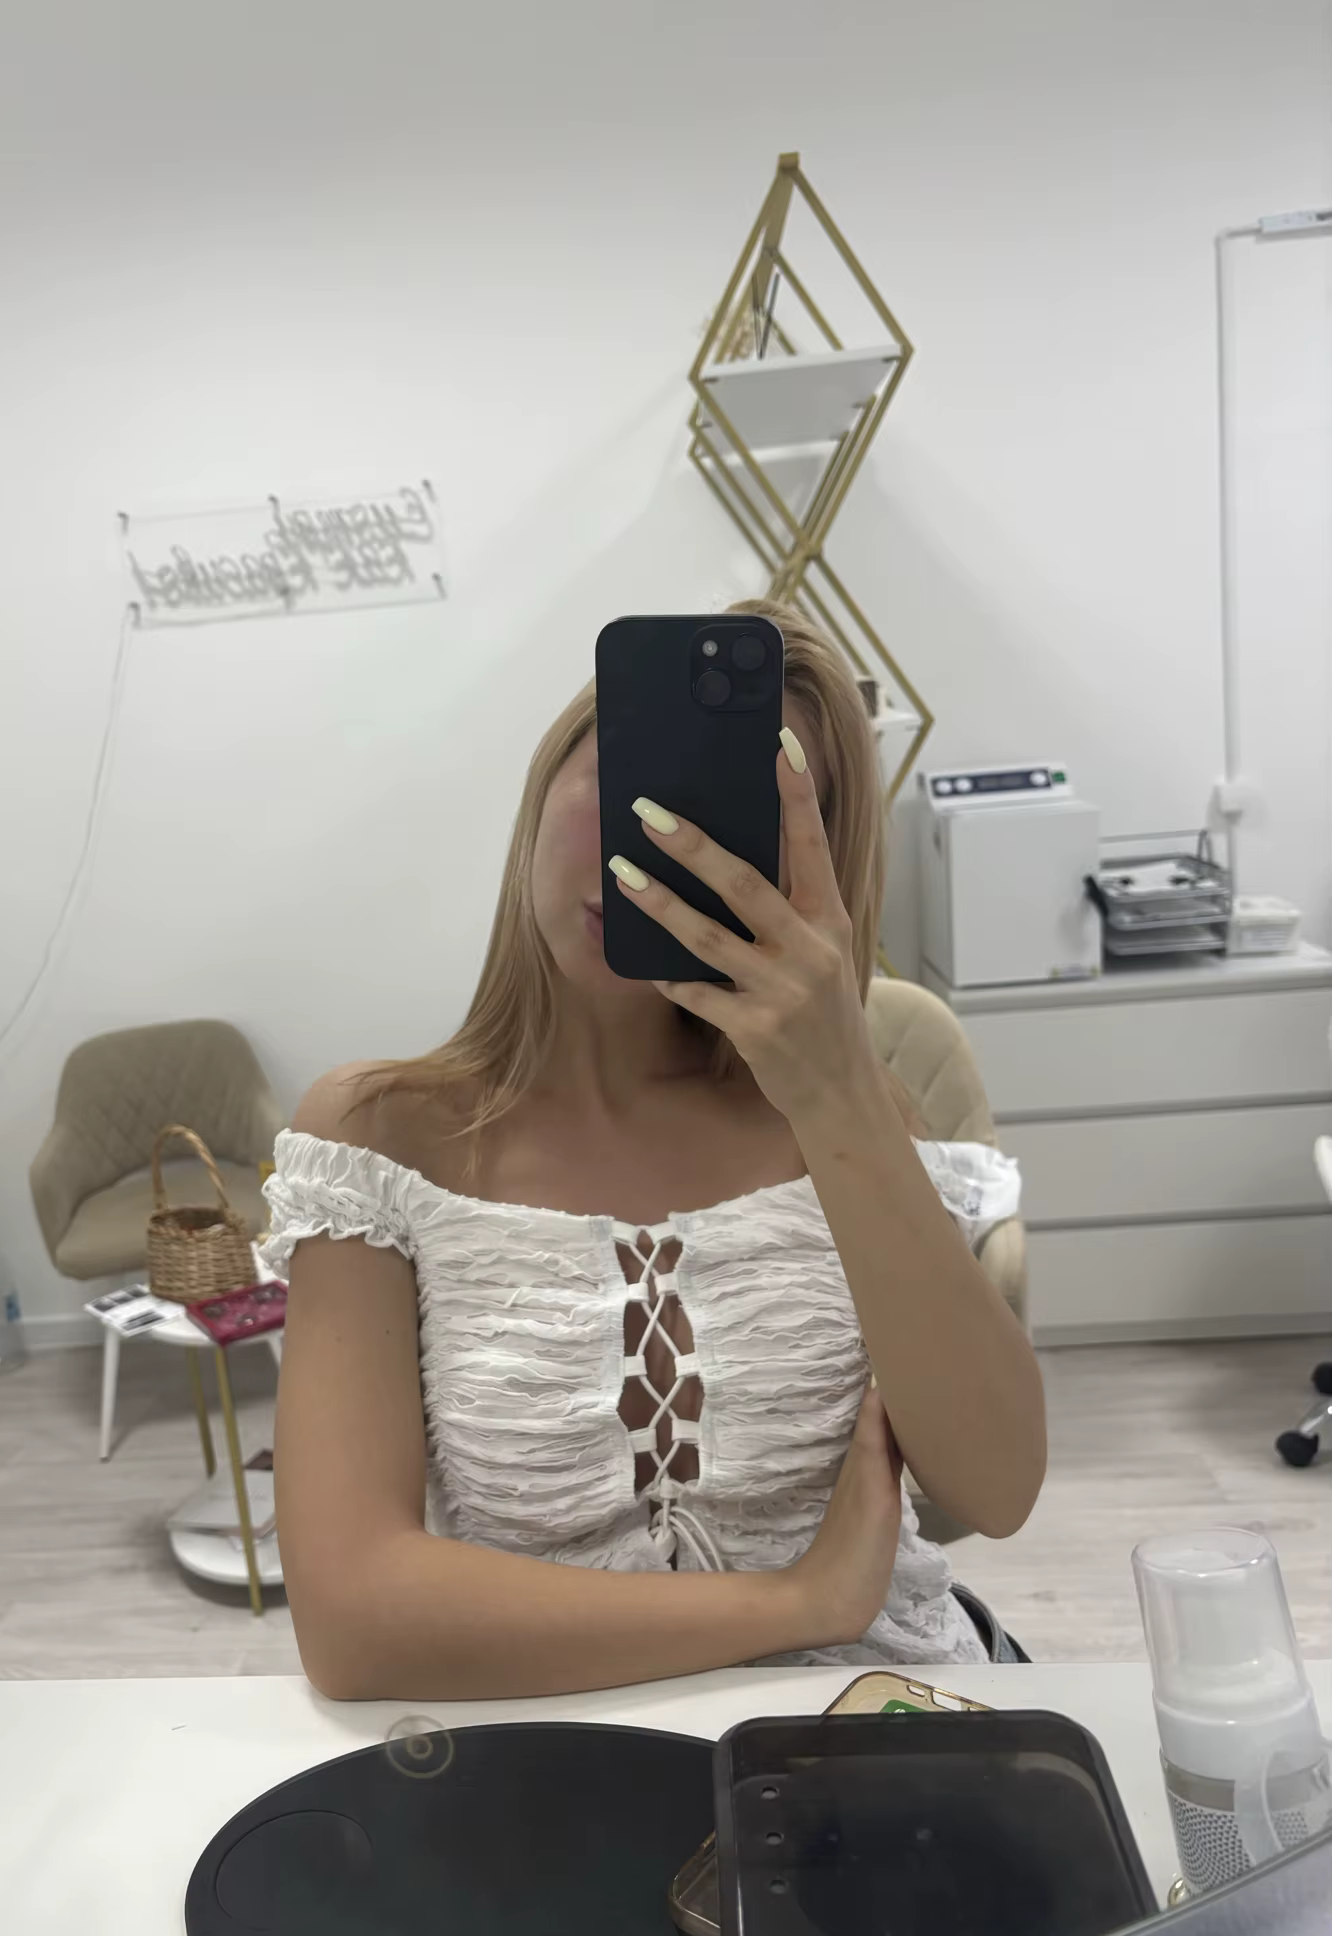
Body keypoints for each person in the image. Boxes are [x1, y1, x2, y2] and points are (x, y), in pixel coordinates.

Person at [265, 599, 1046, 1701]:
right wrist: (803, 1600)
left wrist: (838, 1093)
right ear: (549, 774)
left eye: (732, 821)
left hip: (873, 1718)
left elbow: (998, 1488)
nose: (664, 848)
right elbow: (353, 1621)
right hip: (554, 1744)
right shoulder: (378, 1139)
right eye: (633, 781)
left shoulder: (848, 1121)